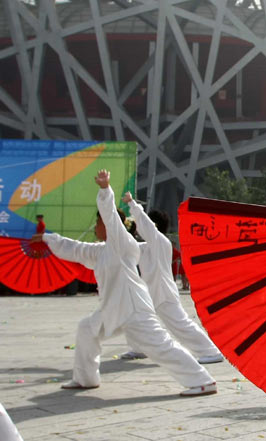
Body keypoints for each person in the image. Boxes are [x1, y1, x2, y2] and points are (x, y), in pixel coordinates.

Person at [32, 170, 217, 397]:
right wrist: (48, 239)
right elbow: (76, 249)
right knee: (87, 329)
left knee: (160, 345)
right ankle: (85, 378)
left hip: (133, 308)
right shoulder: (101, 251)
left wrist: (105, 190)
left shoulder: (122, 244)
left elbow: (111, 217)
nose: (95, 227)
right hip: (112, 309)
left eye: (97, 222)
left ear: (108, 225)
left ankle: (203, 380)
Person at [118, 192, 224, 365]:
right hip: (150, 294)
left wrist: (132, 204)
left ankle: (211, 351)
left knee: (180, 324)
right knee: (134, 318)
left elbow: (146, 226)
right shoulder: (145, 246)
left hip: (163, 293)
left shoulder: (161, 242)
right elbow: (126, 247)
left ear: (153, 225)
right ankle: (139, 348)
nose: (138, 228)